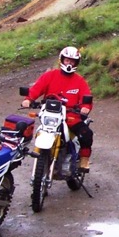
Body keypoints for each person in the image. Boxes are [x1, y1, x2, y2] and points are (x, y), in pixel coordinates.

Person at [21, 46, 94, 175]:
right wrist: (28, 99)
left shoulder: (79, 81)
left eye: (72, 61)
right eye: (67, 60)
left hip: (71, 116)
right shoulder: (50, 75)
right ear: (62, 60)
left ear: (76, 63)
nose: (69, 63)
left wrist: (85, 107)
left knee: (86, 133)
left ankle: (84, 160)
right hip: (50, 114)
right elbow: (36, 89)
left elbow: (86, 97)